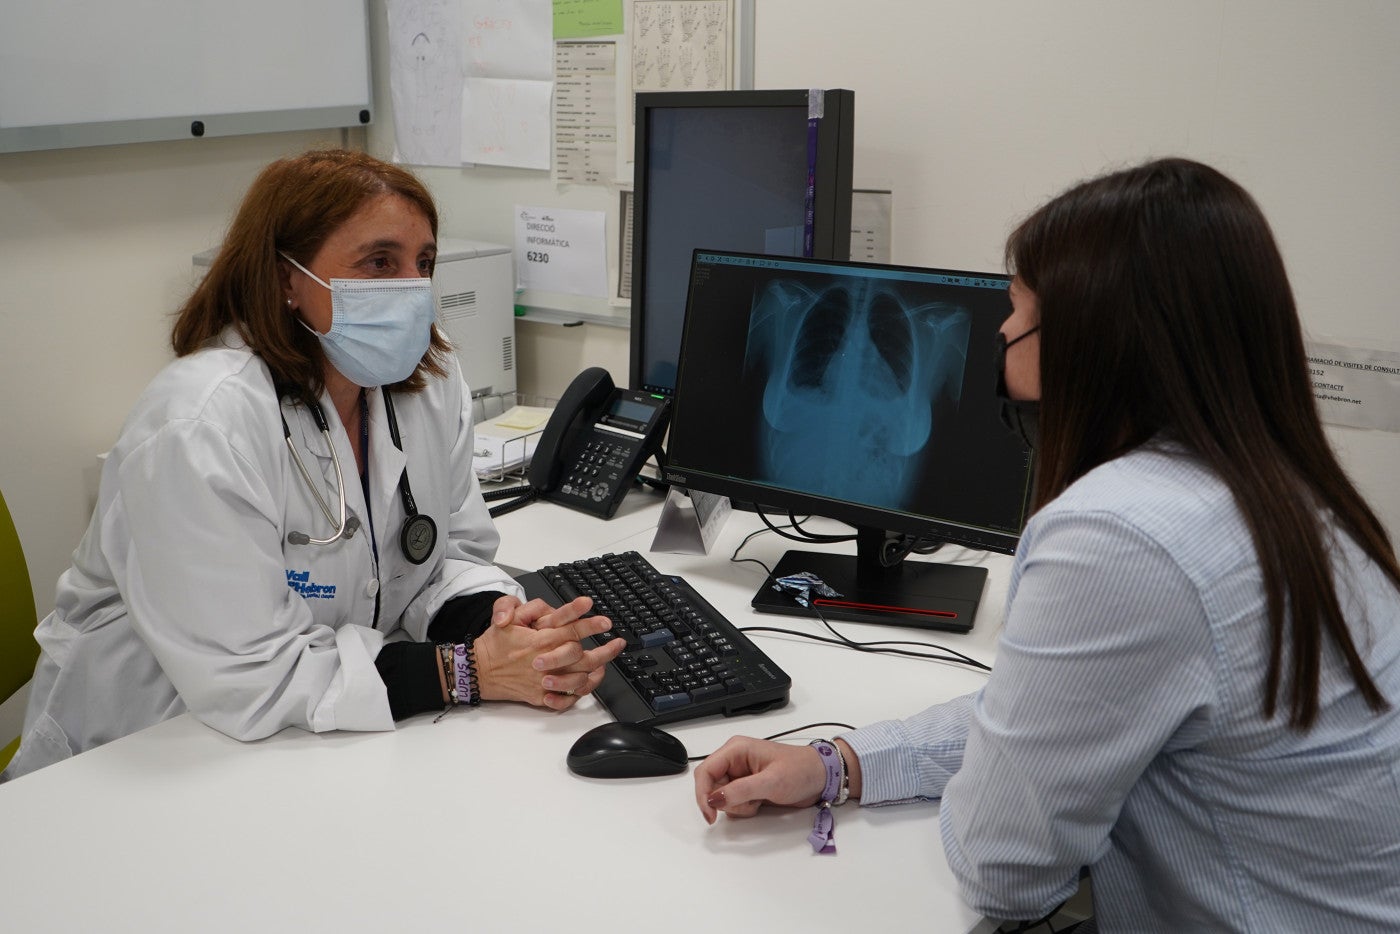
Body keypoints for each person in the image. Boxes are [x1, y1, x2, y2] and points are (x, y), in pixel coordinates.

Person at [693, 158, 1400, 931]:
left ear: (1095, 342)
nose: (998, 331)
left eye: (1017, 309)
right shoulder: (1288, 489)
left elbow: (1007, 874)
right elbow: (1058, 716)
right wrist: (842, 763)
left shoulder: (1120, 533)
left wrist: (987, 789)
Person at [2, 148, 624, 782]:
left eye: (423, 264)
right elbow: (254, 676)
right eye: (380, 262)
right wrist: (465, 670)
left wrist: (504, 626)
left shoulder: (428, 389)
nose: (412, 288)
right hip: (144, 755)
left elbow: (448, 555)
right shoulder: (198, 426)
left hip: (312, 745)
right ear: (285, 279)